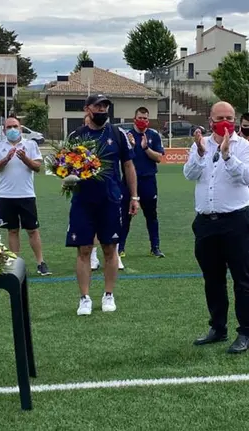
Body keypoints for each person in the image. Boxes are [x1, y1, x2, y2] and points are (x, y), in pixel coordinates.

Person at [183, 101, 249, 354]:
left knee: (242, 279)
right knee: (212, 279)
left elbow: (247, 177)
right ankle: (218, 327)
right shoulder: (201, 144)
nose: (225, 122)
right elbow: (189, 174)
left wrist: (227, 156)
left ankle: (246, 332)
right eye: (219, 118)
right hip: (206, 222)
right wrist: (200, 152)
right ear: (210, 120)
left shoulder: (245, 147)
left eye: (229, 117)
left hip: (235, 221)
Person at [67, 94, 139, 316]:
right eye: (97, 106)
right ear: (87, 109)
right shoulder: (76, 136)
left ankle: (108, 294)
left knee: (110, 248)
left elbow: (128, 166)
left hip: (111, 200)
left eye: (105, 106)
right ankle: (84, 298)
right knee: (84, 249)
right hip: (83, 201)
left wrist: (134, 197)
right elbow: (66, 166)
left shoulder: (118, 134)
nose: (102, 110)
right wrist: (67, 178)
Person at [0, 116, 51, 276]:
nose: (12, 130)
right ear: (4, 130)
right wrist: (6, 158)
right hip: (5, 195)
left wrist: (24, 158)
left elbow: (37, 167)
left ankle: (41, 262)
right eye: (9, 127)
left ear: (21, 128)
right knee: (12, 231)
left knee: (32, 230)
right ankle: (15, 263)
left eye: (15, 126)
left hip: (26, 194)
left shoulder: (30, 145)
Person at [72, 113, 124, 272]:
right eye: (86, 122)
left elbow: (126, 163)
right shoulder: (78, 137)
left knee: (111, 235)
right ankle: (93, 256)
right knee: (88, 235)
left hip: (110, 193)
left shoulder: (113, 135)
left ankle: (116, 256)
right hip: (86, 195)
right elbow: (68, 164)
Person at [118, 107, 166, 258]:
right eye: (140, 118)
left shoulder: (153, 135)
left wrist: (146, 148)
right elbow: (122, 158)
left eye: (145, 118)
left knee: (151, 215)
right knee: (125, 216)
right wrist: (131, 146)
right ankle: (120, 248)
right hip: (128, 181)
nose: (143, 121)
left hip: (148, 181)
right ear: (134, 119)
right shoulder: (126, 136)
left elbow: (159, 158)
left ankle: (155, 247)